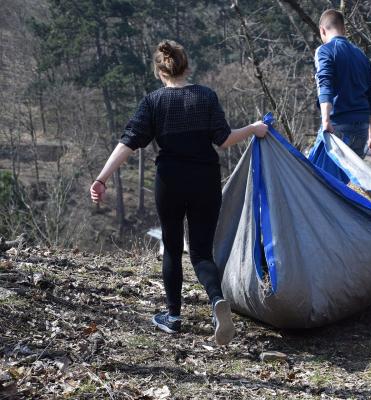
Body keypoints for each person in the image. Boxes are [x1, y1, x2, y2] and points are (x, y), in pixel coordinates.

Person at [89, 40, 268, 345]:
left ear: (160, 71)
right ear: (186, 66)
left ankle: (173, 317)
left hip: (170, 181)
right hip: (206, 180)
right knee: (200, 252)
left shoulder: (153, 102)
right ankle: (216, 301)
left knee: (172, 247)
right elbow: (224, 140)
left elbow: (128, 143)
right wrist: (253, 128)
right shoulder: (205, 96)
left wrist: (102, 178)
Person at [315, 9, 371, 158]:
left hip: (337, 124)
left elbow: (325, 84)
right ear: (344, 29)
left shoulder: (324, 51)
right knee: (348, 180)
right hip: (362, 128)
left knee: (320, 177)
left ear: (322, 30)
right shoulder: (362, 56)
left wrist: (326, 121)